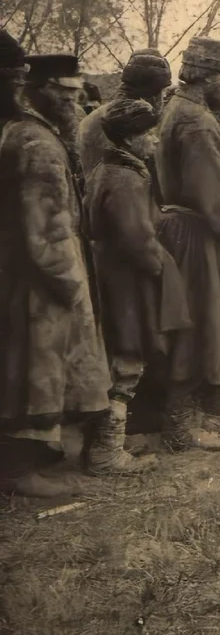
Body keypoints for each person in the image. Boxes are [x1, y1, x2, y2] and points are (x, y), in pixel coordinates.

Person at [0, 54, 112, 495]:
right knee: (35, 375)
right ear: (34, 88)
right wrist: (71, 281)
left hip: (15, 273)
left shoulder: (15, 132)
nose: (74, 102)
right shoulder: (36, 142)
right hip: (38, 285)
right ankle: (19, 471)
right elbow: (45, 228)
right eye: (65, 93)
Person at [155, 37, 220, 450]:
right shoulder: (196, 121)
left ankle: (200, 415)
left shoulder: (179, 110)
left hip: (185, 231)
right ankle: (179, 429)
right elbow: (215, 198)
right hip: (199, 237)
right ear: (208, 77)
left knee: (200, 326)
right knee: (199, 327)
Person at [85, 99, 190, 474]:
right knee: (128, 356)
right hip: (130, 280)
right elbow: (137, 240)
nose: (155, 140)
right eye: (148, 134)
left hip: (113, 275)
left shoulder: (106, 170)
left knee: (122, 350)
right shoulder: (127, 178)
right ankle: (105, 452)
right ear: (130, 138)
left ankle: (110, 441)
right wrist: (162, 269)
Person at [78, 49, 172, 176]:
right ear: (151, 92)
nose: (164, 96)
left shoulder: (104, 115)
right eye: (162, 91)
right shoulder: (130, 121)